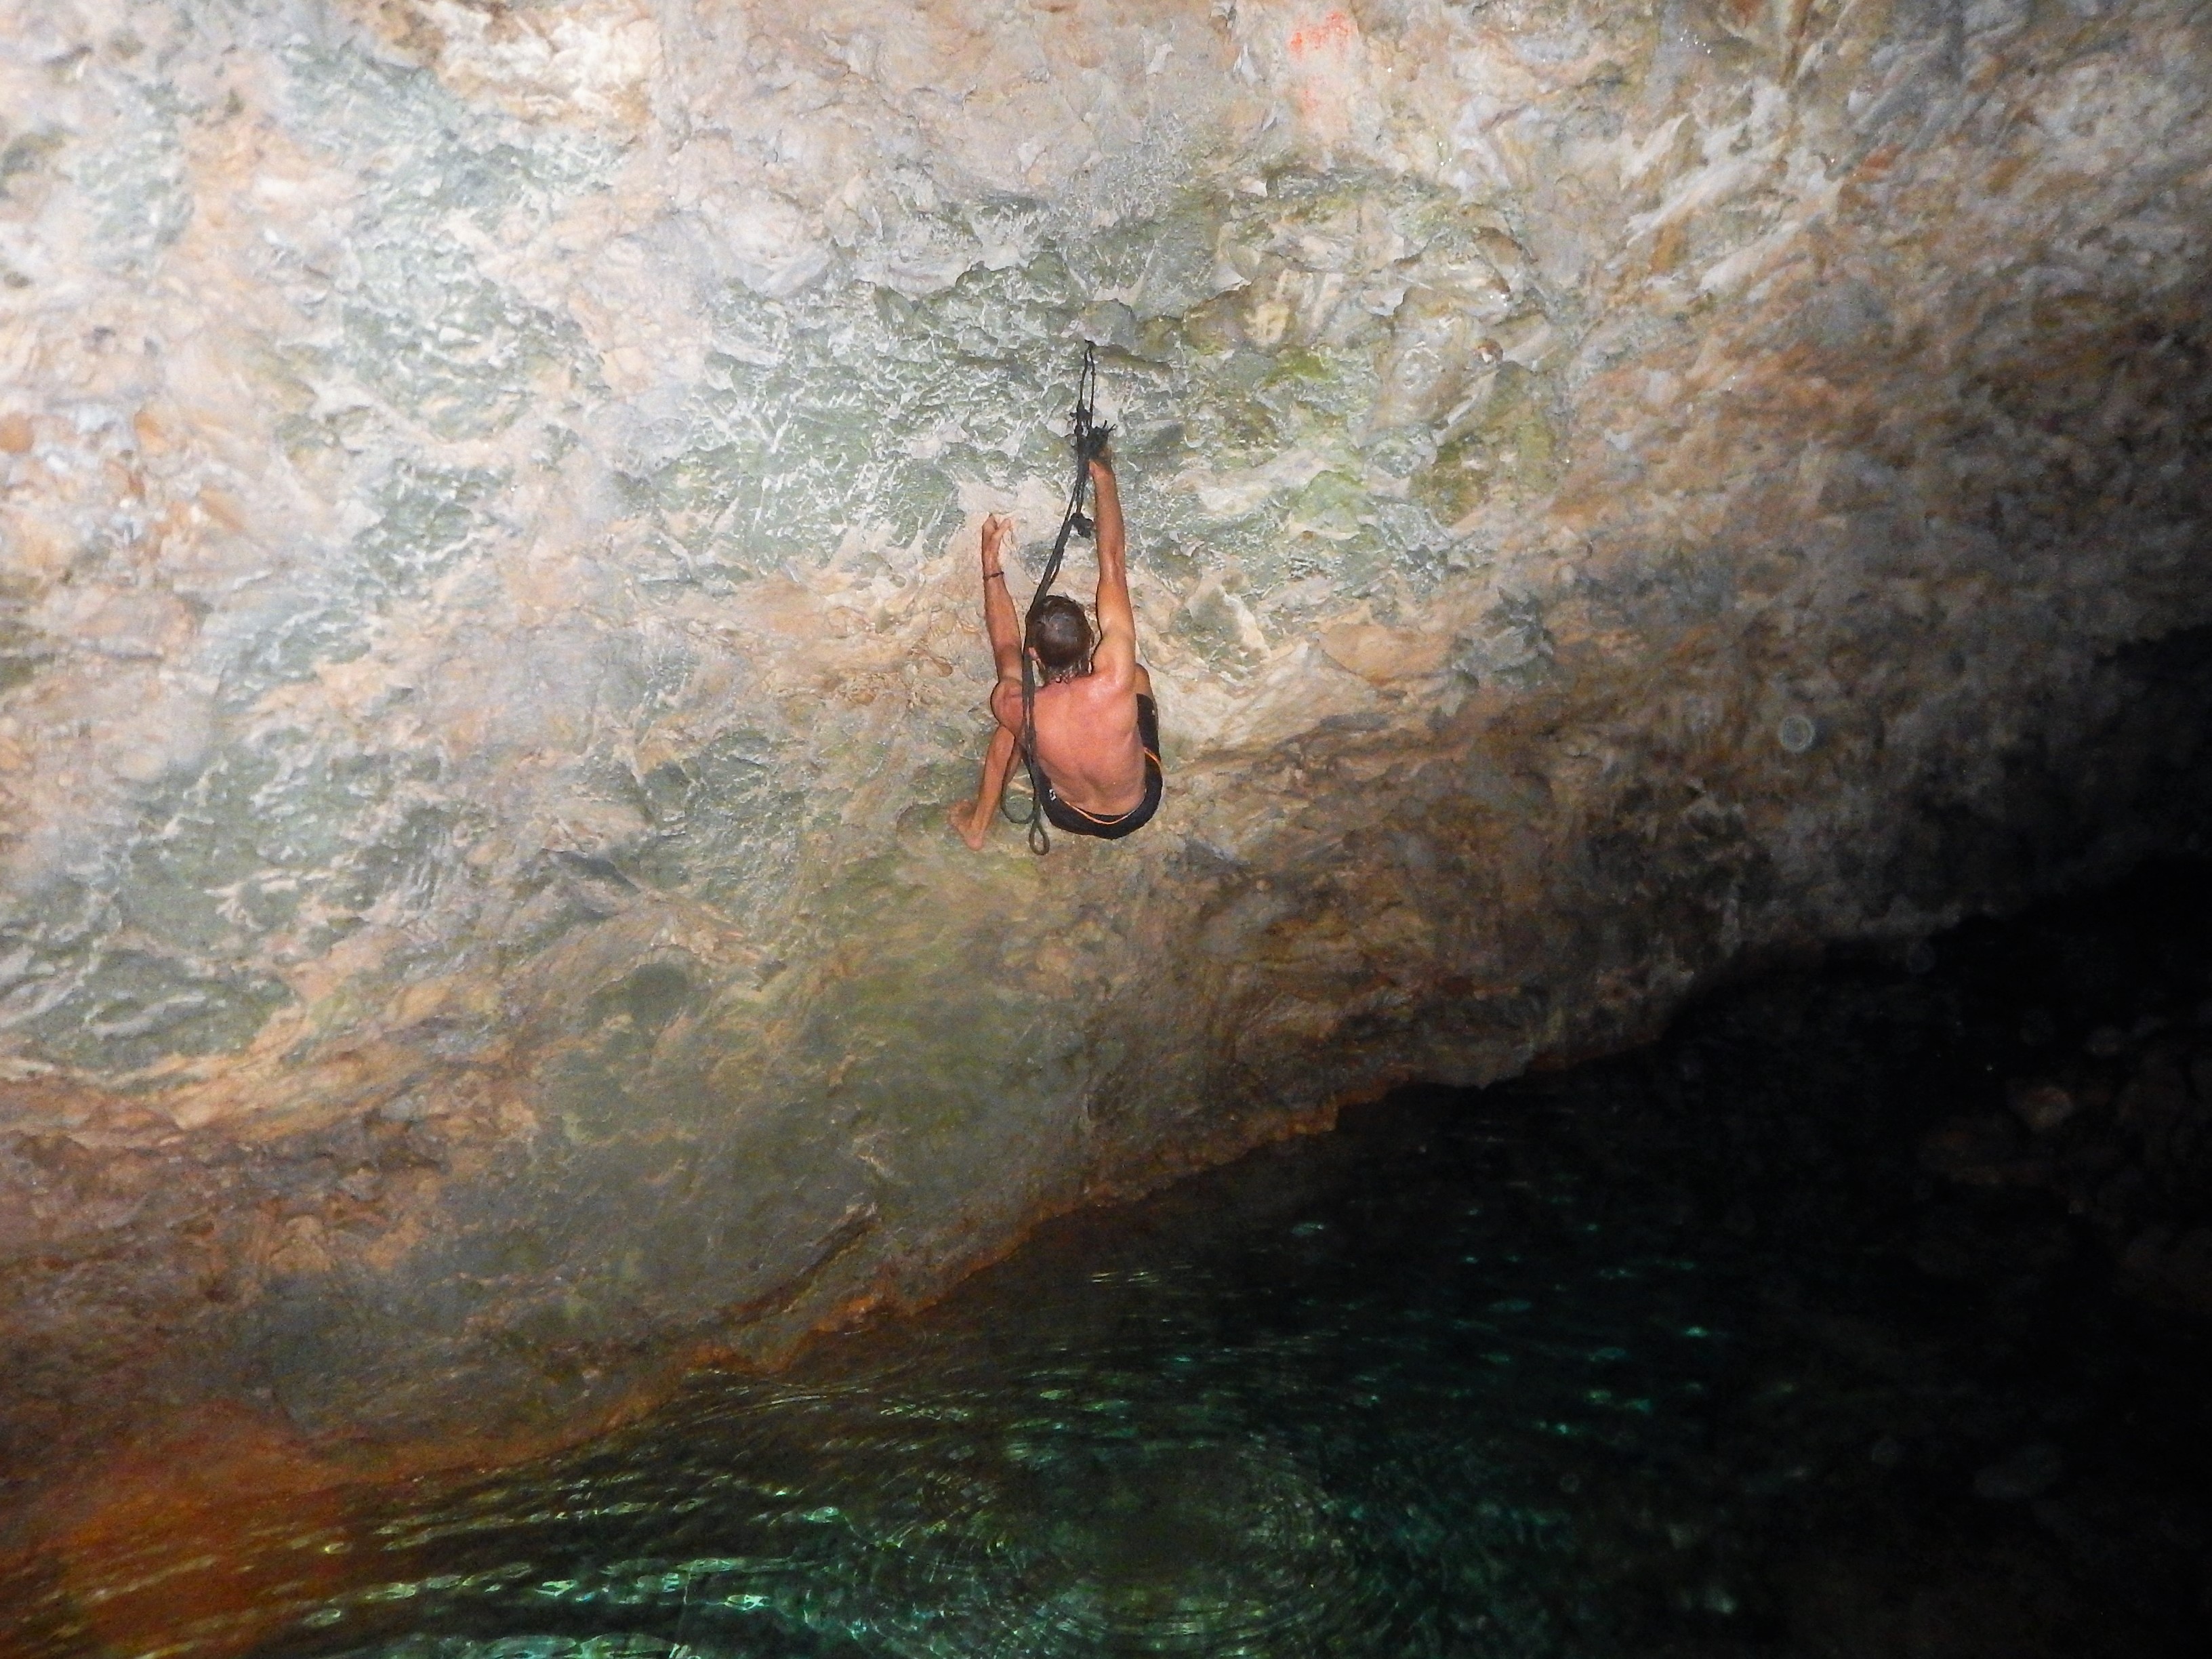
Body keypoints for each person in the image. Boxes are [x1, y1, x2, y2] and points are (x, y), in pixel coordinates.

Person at [951, 452, 1161, 848]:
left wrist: (990, 564)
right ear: (1090, 639)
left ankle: (977, 826)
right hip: (1137, 806)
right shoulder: (1116, 676)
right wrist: (1103, 475)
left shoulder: (1017, 704)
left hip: (1067, 813)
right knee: (1139, 677)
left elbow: (1005, 645)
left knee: (1010, 729)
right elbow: (1112, 565)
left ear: (1035, 655)